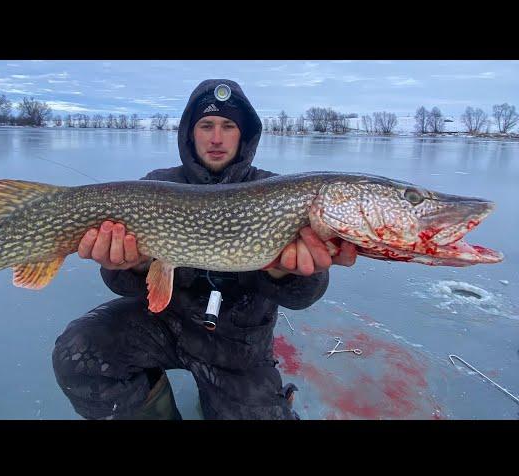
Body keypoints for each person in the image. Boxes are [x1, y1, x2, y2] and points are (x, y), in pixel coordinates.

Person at [52, 79, 357, 420]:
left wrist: (283, 271)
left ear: (244, 134)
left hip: (238, 347)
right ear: (189, 132)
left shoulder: (275, 192)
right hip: (164, 325)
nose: (216, 137)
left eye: (228, 126)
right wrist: (132, 266)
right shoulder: (158, 184)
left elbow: (304, 295)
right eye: (206, 125)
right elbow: (120, 283)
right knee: (78, 352)